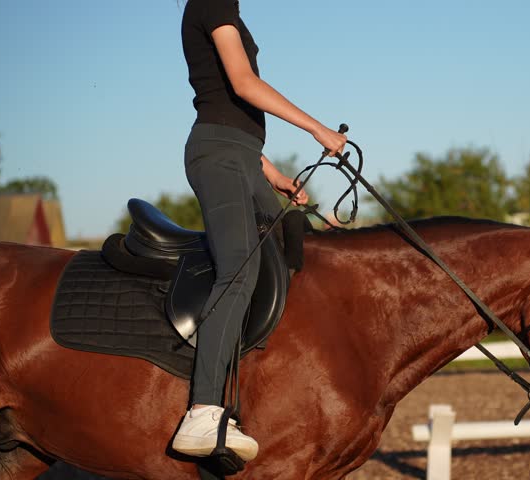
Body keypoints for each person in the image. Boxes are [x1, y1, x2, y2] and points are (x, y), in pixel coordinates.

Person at [171, 0, 346, 462]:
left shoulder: (226, 9)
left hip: (244, 156)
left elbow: (235, 115)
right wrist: (318, 130)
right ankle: (203, 410)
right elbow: (243, 85)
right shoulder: (212, 4)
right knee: (239, 270)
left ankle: (270, 386)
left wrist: (271, 174)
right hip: (218, 154)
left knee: (292, 242)